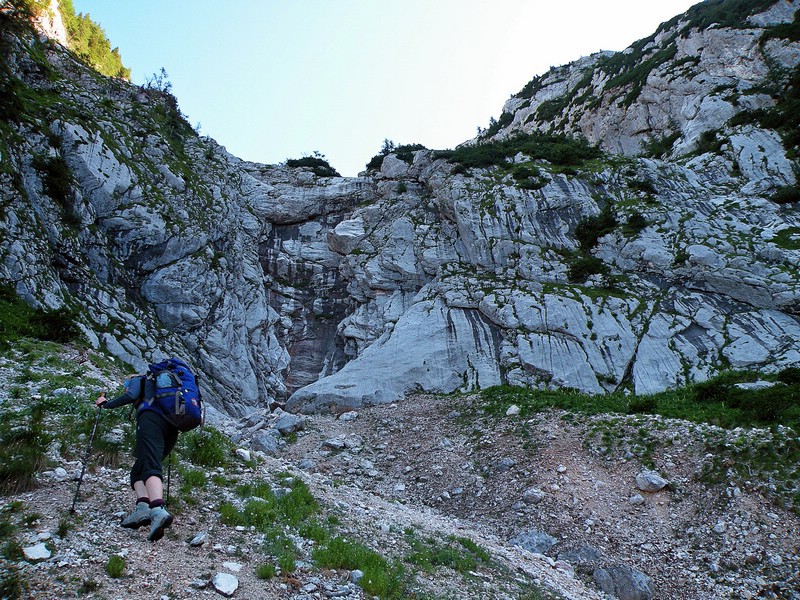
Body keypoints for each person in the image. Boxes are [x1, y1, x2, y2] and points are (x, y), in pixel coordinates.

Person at [95, 374, 177, 542]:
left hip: (150, 420)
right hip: (173, 426)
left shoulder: (138, 379)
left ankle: (157, 510)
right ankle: (142, 508)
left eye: (125, 384)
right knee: (139, 468)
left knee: (150, 465)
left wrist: (106, 404)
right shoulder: (165, 388)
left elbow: (130, 395)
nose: (125, 386)